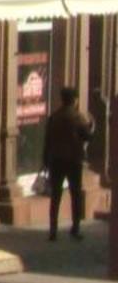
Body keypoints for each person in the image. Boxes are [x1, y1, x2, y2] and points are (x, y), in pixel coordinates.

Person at [43, 85, 96, 242]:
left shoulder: (54, 117)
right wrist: (91, 127)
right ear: (74, 100)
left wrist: (45, 160)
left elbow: (47, 141)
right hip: (73, 160)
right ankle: (75, 228)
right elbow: (88, 137)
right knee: (75, 194)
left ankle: (53, 230)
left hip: (56, 160)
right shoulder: (78, 118)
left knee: (55, 195)